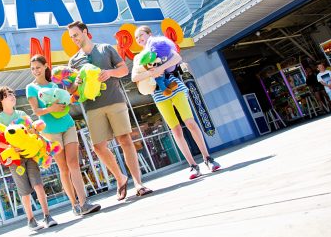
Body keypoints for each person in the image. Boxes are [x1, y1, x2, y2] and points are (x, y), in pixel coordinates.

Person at [67, 21, 153, 200]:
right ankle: (120, 178)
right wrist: (76, 83)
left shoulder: (105, 48)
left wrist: (109, 73)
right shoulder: (73, 61)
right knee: (98, 147)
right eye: (71, 37)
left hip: (115, 100)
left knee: (125, 140)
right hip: (92, 107)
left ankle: (138, 183)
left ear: (85, 32)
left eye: (76, 35)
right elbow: (71, 90)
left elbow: (124, 70)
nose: (74, 39)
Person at [132, 26, 221, 180]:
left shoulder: (159, 46)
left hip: (174, 85)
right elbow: (134, 77)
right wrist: (150, 73)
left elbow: (177, 58)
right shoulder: (138, 57)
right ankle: (192, 165)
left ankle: (208, 158)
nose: (139, 39)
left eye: (141, 35)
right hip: (158, 93)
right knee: (176, 129)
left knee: (190, 122)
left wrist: (161, 68)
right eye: (136, 38)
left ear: (149, 34)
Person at [26, 54, 101, 216]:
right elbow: (36, 111)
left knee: (74, 163)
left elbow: (66, 100)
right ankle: (74, 204)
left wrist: (74, 89)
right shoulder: (31, 88)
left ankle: (84, 202)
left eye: (38, 67)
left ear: (45, 66)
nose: (36, 71)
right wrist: (51, 109)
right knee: (64, 168)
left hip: (68, 125)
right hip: (50, 131)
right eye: (33, 69)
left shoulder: (54, 84)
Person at [0, 86, 58, 231]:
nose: (12, 96)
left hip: (30, 155)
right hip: (15, 160)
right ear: (0, 100)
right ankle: (31, 220)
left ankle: (47, 216)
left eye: (12, 94)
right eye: (8, 95)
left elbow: (32, 130)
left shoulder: (21, 114)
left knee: (38, 184)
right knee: (24, 190)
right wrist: (8, 147)